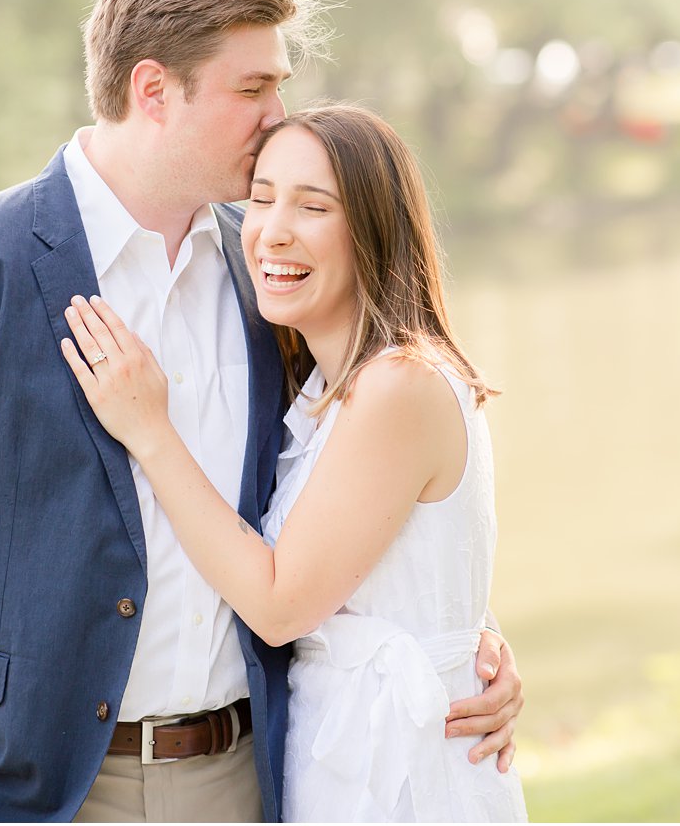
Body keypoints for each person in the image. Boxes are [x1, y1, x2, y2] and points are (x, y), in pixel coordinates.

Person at [0, 0, 524, 823]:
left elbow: (353, 496)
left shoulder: (269, 270)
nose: (276, 115)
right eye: (252, 89)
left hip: (252, 774)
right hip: (33, 787)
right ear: (153, 90)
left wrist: (455, 645)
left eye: (279, 86)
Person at [61, 104, 529, 821]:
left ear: (374, 228)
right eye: (261, 197)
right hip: (334, 758)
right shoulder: (321, 382)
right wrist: (476, 633)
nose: (271, 230)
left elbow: (280, 605)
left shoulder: (398, 384)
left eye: (313, 206)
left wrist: (149, 431)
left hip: (400, 776)